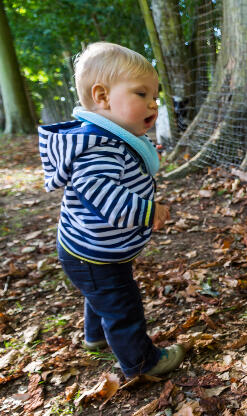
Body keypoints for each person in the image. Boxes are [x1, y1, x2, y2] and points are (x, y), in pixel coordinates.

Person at [38, 42, 184, 378]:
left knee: (100, 294)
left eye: (155, 95)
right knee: (122, 305)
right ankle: (141, 363)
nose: (153, 102)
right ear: (102, 97)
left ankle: (95, 337)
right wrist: (148, 212)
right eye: (141, 93)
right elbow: (103, 196)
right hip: (93, 253)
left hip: (92, 251)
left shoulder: (112, 139)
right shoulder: (98, 148)